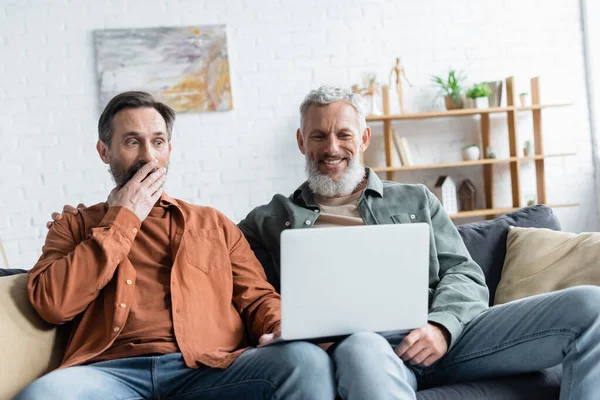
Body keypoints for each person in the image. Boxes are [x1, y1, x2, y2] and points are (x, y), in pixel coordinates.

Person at [49, 86, 600, 400]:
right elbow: (249, 295)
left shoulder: (414, 200)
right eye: (317, 136)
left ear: (362, 139)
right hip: (368, 347)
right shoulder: (271, 218)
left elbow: (463, 274)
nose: (330, 147)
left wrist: (442, 325)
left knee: (589, 305)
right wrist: (277, 326)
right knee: (359, 344)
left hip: (448, 331)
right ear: (301, 143)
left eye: (342, 134)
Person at [19, 91, 335, 400]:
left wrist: (280, 327)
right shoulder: (73, 226)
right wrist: (122, 220)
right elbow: (52, 304)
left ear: (169, 149)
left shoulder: (213, 224)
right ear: (104, 151)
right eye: (132, 141)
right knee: (43, 394)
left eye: (157, 142)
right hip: (110, 373)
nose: (147, 156)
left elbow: (257, 299)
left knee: (306, 362)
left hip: (207, 369)